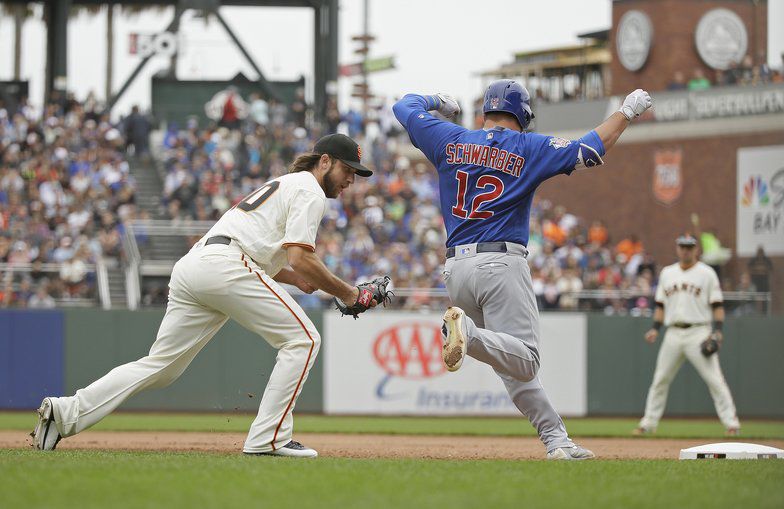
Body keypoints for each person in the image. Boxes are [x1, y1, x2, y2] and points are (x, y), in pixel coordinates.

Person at [32, 133, 380, 458]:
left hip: (198, 265)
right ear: (324, 161)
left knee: (161, 367)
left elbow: (289, 262)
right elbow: (300, 256)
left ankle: (64, 413)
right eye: (347, 170)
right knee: (303, 340)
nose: (351, 179)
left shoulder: (288, 184)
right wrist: (351, 294)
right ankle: (268, 438)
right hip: (227, 265)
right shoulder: (310, 190)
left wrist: (303, 280)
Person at [393, 79, 652, 460]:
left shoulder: (449, 138)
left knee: (513, 368)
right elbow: (590, 150)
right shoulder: (529, 146)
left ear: (487, 111)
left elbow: (404, 107)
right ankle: (468, 332)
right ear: (524, 114)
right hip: (501, 262)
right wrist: (626, 112)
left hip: (456, 270)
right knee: (526, 358)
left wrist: (439, 100)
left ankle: (557, 441)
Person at [633, 235, 740, 436]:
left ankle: (731, 423)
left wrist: (718, 331)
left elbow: (717, 305)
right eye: (682, 246)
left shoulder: (707, 273)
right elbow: (660, 305)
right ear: (677, 248)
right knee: (660, 380)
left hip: (699, 332)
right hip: (673, 332)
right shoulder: (668, 273)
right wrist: (655, 328)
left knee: (715, 380)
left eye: (689, 247)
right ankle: (648, 423)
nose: (685, 250)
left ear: (695, 249)